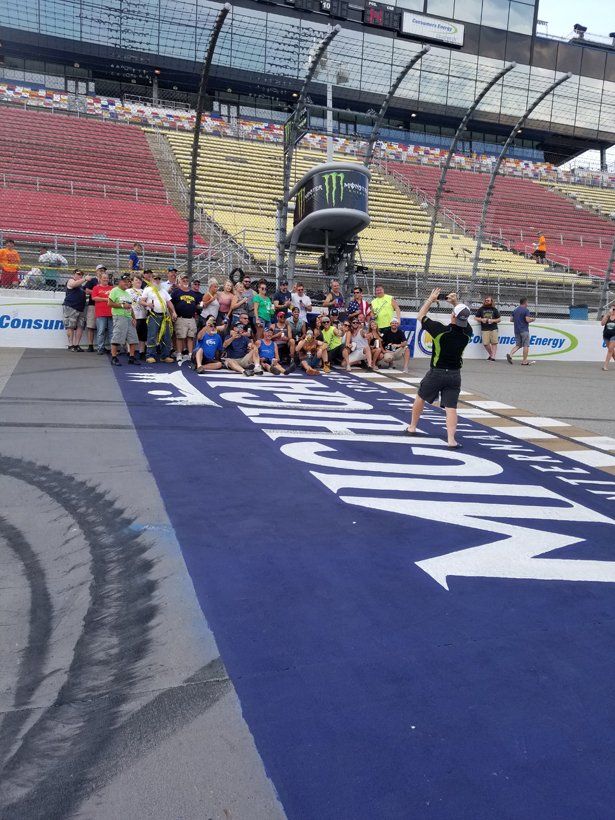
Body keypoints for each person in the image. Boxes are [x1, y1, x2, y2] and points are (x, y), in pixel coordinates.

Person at [405, 287, 472, 449]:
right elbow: (464, 320)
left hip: (436, 372)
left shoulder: (440, 330)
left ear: (453, 316)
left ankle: (412, 427)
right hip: (455, 375)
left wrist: (430, 299)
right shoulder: (467, 334)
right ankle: (451, 440)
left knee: (420, 396)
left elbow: (420, 316)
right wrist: (455, 303)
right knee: (451, 408)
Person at [141, 272, 177, 363]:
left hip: (164, 316)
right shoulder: (147, 289)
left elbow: (169, 302)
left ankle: (165, 356)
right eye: (155, 279)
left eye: (158, 279)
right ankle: (150, 355)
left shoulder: (163, 290)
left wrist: (173, 312)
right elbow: (141, 301)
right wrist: (147, 304)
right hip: (153, 315)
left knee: (166, 336)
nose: (157, 281)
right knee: (152, 335)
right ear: (151, 280)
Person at [108, 274, 140, 367]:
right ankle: (114, 357)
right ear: (120, 282)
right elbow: (109, 303)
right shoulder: (115, 290)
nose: (127, 283)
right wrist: (122, 305)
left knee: (133, 338)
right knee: (117, 337)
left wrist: (134, 318)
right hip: (119, 316)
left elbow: (131, 307)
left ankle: (132, 357)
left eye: (128, 281)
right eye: (125, 281)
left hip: (129, 317)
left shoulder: (127, 293)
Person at [172, 273, 201, 366]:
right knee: (180, 336)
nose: (185, 281)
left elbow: (197, 305)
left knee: (190, 337)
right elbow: (170, 304)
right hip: (180, 318)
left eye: (186, 280)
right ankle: (179, 353)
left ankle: (190, 354)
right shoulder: (176, 292)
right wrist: (173, 313)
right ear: (179, 281)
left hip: (191, 318)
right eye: (183, 280)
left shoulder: (192, 293)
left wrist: (201, 306)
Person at [62, 269, 89, 351]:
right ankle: (71, 345)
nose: (80, 275)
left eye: (81, 274)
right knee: (70, 326)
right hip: (71, 307)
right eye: (78, 274)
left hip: (80, 308)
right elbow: (73, 284)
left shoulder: (81, 286)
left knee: (80, 326)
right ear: (74, 274)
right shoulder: (71, 281)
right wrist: (84, 279)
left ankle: (76, 345)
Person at [91, 270, 114, 355]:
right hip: (101, 313)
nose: (106, 279)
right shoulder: (96, 288)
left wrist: (104, 299)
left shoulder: (112, 288)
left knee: (112, 332)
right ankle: (100, 348)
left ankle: (113, 349)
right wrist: (105, 299)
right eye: (104, 278)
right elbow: (94, 298)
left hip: (111, 313)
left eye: (107, 278)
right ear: (100, 279)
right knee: (101, 331)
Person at [506, 297, 535, 366]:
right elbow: (527, 320)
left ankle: (510, 355)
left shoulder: (515, 310)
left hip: (516, 330)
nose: (527, 304)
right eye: (527, 302)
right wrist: (532, 320)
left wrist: (518, 320)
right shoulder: (526, 310)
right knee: (526, 345)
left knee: (518, 345)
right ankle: (524, 361)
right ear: (525, 302)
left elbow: (511, 320)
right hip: (524, 330)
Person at [474, 295, 501, 361]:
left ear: (491, 301)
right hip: (484, 329)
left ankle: (493, 357)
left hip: (493, 328)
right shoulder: (481, 309)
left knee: (494, 343)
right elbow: (475, 317)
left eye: (488, 300)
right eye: (485, 300)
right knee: (486, 343)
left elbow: (499, 319)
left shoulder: (494, 309)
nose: (486, 301)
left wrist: (493, 320)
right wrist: (481, 320)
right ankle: (491, 354)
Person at [126, 274, 147, 360]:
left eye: (140, 280)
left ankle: (141, 352)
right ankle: (130, 351)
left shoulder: (144, 291)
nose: (138, 281)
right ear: (131, 282)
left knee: (143, 336)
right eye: (136, 280)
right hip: (133, 316)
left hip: (144, 316)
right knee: (132, 335)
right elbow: (127, 304)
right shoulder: (128, 291)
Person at [601, 304, 615, 371]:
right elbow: (602, 324)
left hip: (614, 335)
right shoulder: (607, 316)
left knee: (610, 349)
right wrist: (607, 315)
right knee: (612, 351)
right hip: (606, 335)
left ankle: (605, 366)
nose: (613, 311)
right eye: (612, 309)